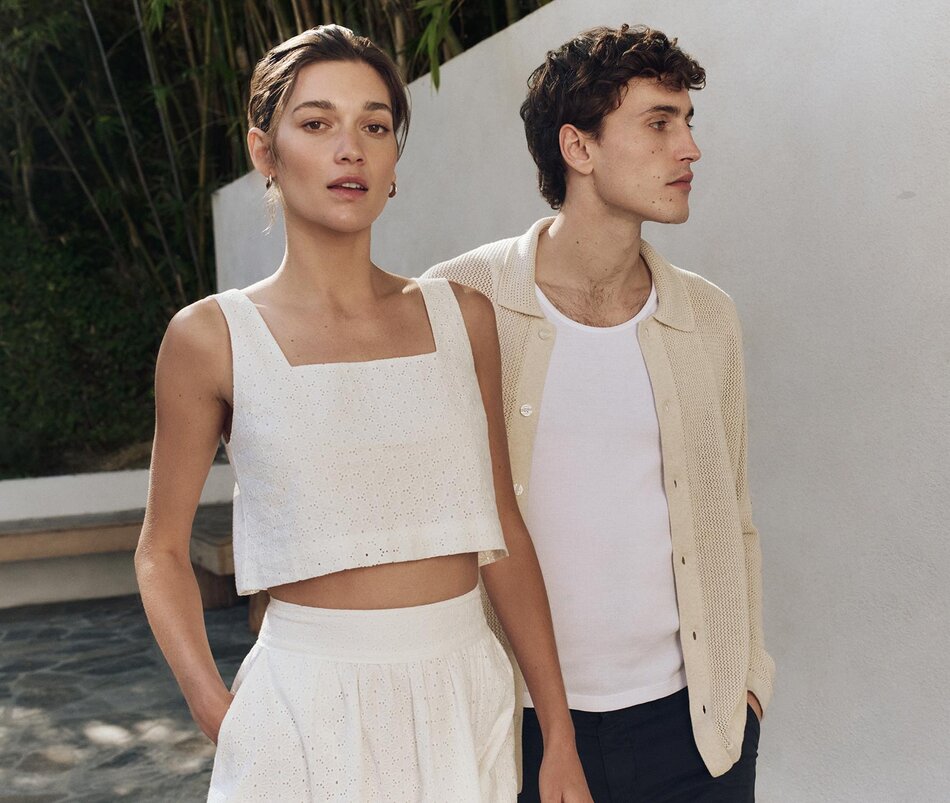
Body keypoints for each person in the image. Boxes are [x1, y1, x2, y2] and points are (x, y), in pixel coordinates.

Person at [135, 25, 592, 802]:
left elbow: (502, 530)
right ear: (264, 152)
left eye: (375, 126)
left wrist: (559, 734)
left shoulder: (463, 317)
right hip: (304, 702)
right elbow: (160, 551)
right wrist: (219, 713)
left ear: (392, 161)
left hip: (462, 693)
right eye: (316, 124)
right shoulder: (211, 337)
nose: (351, 148)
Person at [424, 24, 775, 801]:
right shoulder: (458, 303)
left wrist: (749, 684)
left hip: (696, 732)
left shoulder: (707, 317)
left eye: (688, 122)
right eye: (659, 123)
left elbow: (734, 518)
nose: (689, 149)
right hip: (514, 730)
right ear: (578, 149)